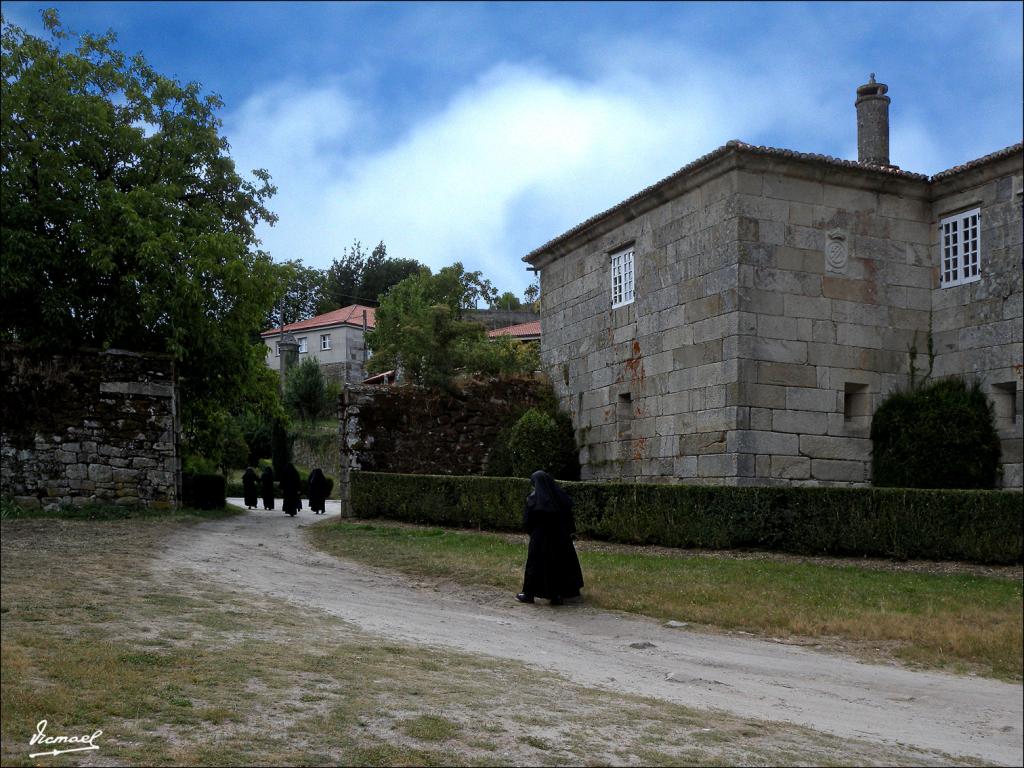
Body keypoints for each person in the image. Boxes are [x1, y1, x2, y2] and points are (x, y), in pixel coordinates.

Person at [517, 470, 584, 606]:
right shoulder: (559, 498)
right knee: (559, 565)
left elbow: (527, 522)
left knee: (535, 566)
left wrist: (533, 533)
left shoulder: (534, 500)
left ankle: (529, 594)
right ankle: (557, 595)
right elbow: (569, 520)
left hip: (539, 539)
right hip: (560, 538)